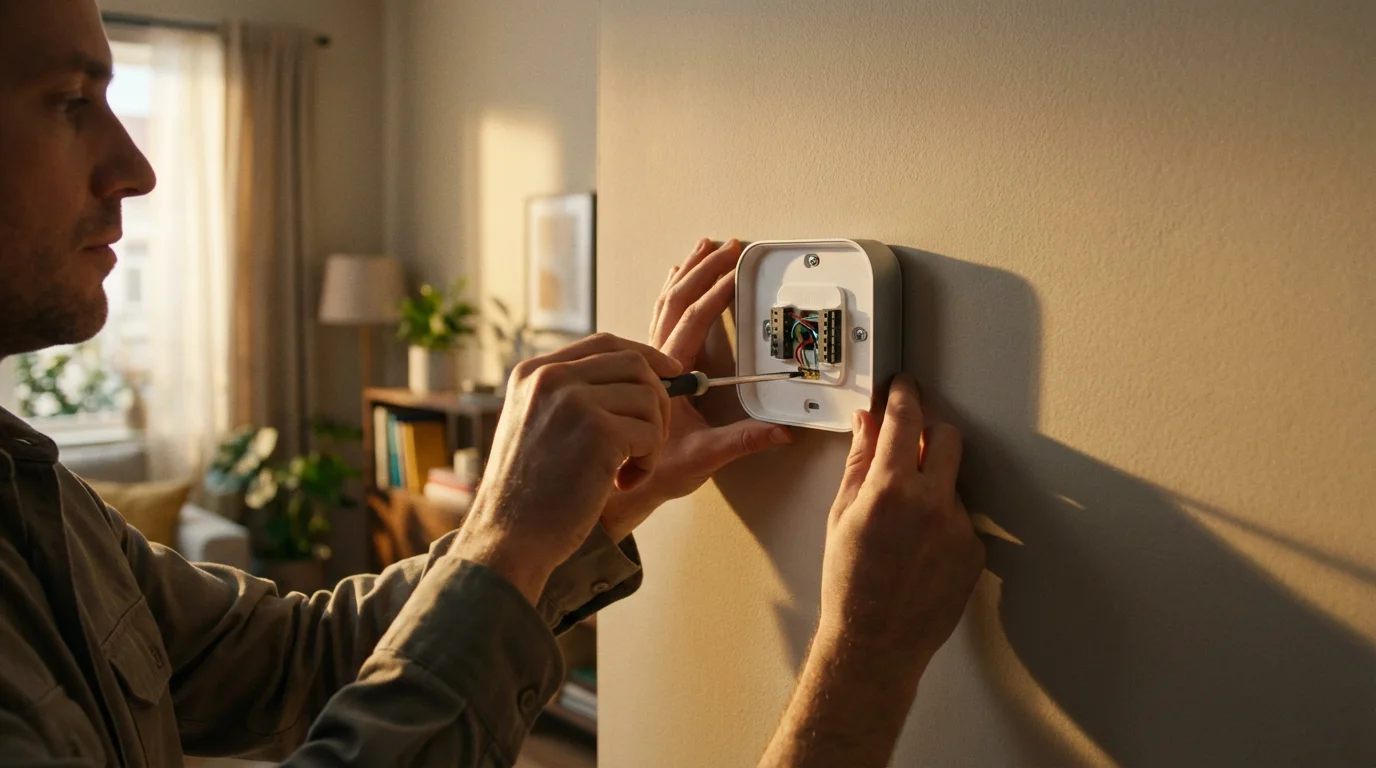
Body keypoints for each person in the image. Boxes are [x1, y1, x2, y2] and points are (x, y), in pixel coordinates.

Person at [0, 1, 984, 765]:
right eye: (70, 102)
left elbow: (305, 657)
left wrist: (574, 521)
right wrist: (862, 660)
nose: (135, 167)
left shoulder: (31, 496)